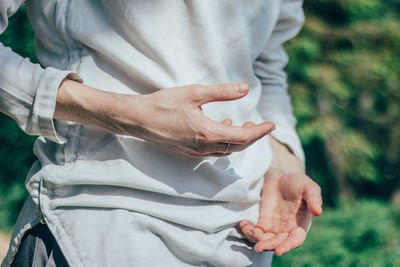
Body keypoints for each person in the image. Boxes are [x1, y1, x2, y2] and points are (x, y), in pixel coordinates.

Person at [0, 0, 322, 266]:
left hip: (242, 241)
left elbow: (264, 62)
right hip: (95, 227)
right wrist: (128, 116)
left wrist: (283, 162)